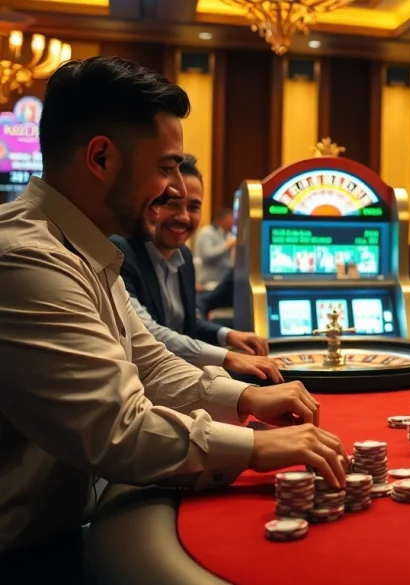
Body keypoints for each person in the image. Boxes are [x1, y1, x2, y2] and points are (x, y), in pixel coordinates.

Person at [0, 57, 347, 580]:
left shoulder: (85, 245)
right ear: (100, 157)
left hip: (67, 527)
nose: (176, 191)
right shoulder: (25, 258)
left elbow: (150, 361)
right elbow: (115, 429)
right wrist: (257, 446)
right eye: (165, 167)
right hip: (23, 557)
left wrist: (246, 398)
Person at [111, 154, 281, 382]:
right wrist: (228, 357)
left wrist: (229, 335)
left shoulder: (184, 256)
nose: (183, 217)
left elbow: (187, 325)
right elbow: (148, 333)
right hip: (139, 383)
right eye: (172, 204)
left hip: (176, 375)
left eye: (193, 207)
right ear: (153, 205)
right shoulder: (121, 251)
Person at [194, 206, 236, 285]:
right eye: (229, 221)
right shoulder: (206, 233)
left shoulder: (228, 235)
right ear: (220, 221)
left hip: (222, 281)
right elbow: (208, 255)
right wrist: (226, 245)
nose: (231, 224)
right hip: (207, 282)